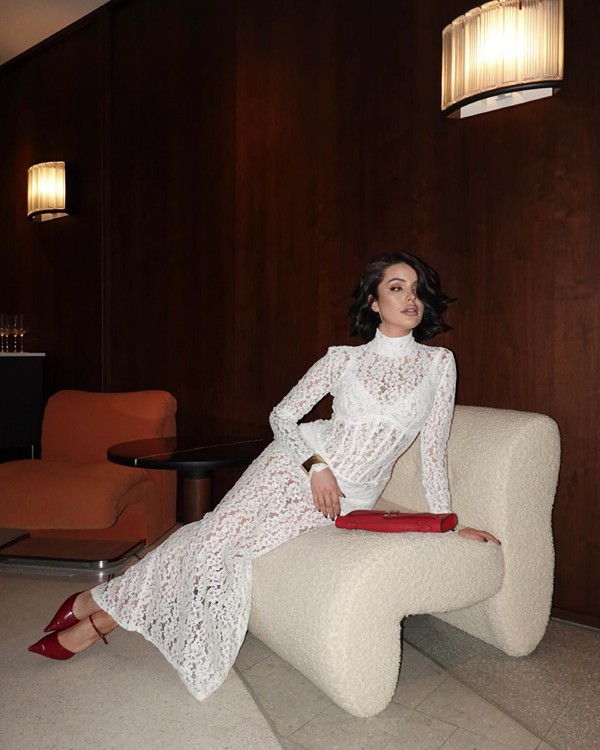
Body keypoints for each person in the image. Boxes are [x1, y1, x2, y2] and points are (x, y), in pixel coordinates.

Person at [28, 250, 500, 700]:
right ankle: (97, 619)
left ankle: (96, 604)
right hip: (297, 465)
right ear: (374, 303)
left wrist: (447, 524)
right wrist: (316, 468)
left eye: (416, 289)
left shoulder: (439, 364)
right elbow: (283, 416)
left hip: (349, 496)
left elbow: (433, 451)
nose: (410, 298)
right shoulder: (344, 359)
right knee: (215, 536)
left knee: (230, 547)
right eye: (396, 288)